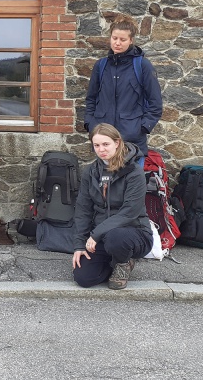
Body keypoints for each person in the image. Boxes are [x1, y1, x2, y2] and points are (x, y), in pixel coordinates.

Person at [72, 123, 153, 290]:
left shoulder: (134, 172)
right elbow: (83, 209)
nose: (101, 149)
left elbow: (129, 213)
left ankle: (124, 262)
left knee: (115, 238)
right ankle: (112, 262)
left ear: (117, 143)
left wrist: (95, 235)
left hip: (132, 233)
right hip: (101, 236)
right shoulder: (91, 172)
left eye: (106, 144)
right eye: (97, 145)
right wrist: (79, 245)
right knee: (84, 278)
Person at [84, 14, 162, 166]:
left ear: (131, 40)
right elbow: (91, 98)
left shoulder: (143, 66)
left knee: (132, 188)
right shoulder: (101, 66)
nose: (117, 43)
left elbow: (155, 102)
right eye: (114, 38)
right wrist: (91, 124)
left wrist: (142, 128)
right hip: (104, 138)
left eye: (123, 39)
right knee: (105, 188)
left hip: (132, 141)